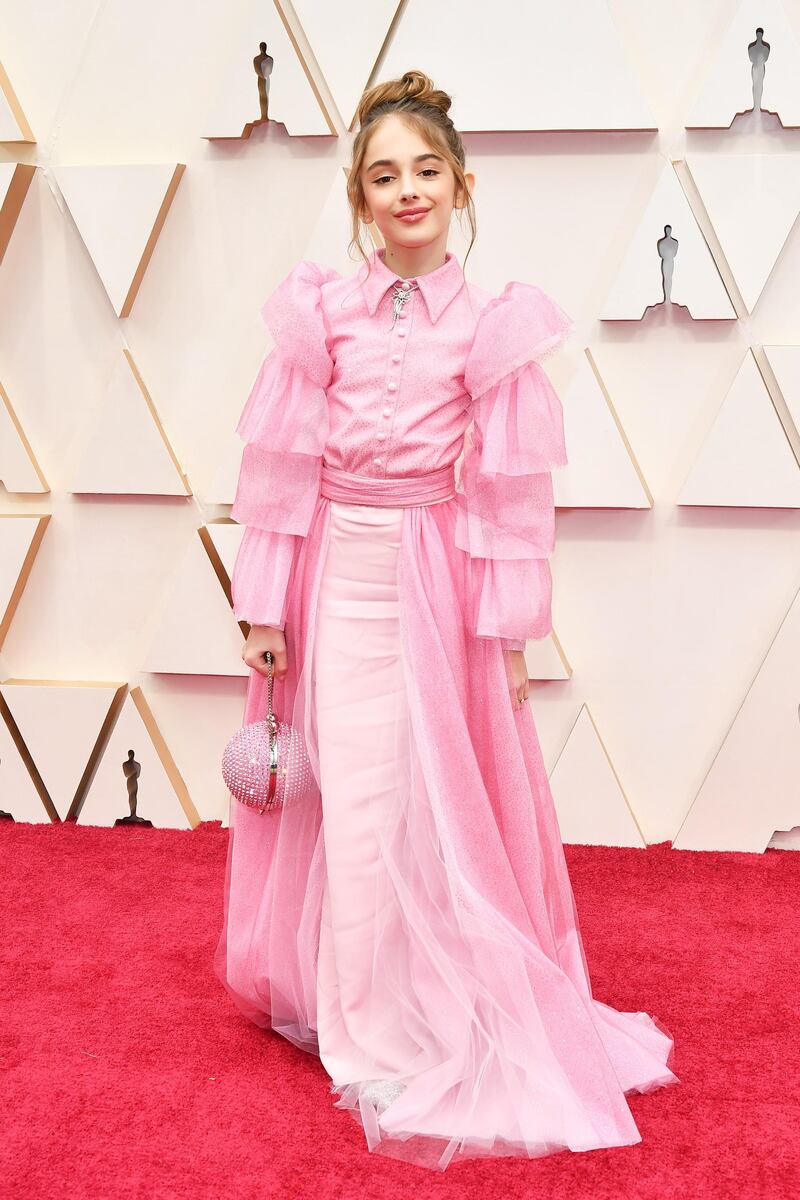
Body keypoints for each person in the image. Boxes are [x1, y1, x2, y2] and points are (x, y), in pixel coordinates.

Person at [214, 68, 679, 1172]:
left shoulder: (491, 323)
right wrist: (263, 604)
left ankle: (426, 1003)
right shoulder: (320, 310)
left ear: (460, 185)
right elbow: (278, 470)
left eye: (425, 171)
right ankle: (361, 1019)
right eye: (383, 176)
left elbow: (510, 495)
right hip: (335, 574)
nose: (405, 190)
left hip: (434, 580)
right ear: (357, 197)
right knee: (356, 798)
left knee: (431, 802)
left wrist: (507, 628)